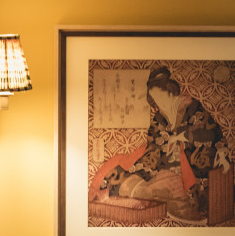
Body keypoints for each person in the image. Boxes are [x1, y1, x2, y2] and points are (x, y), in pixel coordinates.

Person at [91, 66, 231, 223]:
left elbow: (210, 133)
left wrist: (183, 137)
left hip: (194, 157)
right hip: (164, 159)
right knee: (129, 167)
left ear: (170, 92)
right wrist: (166, 143)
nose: (159, 103)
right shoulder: (160, 116)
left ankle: (184, 201)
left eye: (161, 97)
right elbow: (154, 143)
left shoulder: (192, 106)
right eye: (155, 100)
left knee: (169, 171)